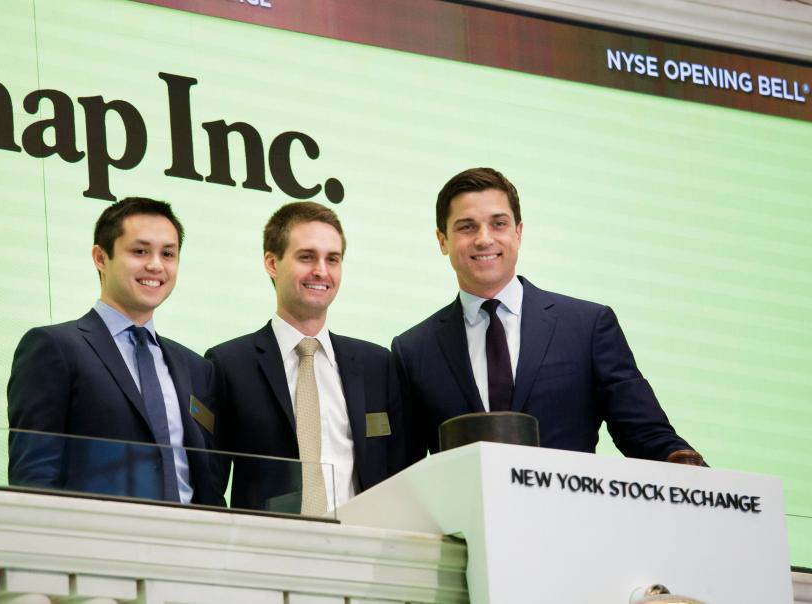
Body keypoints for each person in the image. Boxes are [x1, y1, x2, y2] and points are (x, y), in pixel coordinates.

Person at [393, 167, 703, 465]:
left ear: (519, 232)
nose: (484, 239)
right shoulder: (413, 351)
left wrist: (698, 479)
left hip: (569, 517)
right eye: (467, 226)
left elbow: (646, 434)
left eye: (498, 223)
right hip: (465, 520)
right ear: (442, 240)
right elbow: (404, 467)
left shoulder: (587, 327)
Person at [7, 197, 222, 505]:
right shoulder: (54, 348)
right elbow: (34, 474)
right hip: (95, 543)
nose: (156, 265)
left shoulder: (196, 367)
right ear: (100, 257)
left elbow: (207, 482)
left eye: (168, 254)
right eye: (140, 251)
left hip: (188, 545)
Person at [206, 202, 405, 515]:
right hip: (269, 554)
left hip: (362, 552)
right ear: (272, 262)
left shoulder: (377, 365)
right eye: (306, 257)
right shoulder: (228, 364)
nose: (321, 271)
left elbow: (400, 475)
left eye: (333, 259)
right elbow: (210, 486)